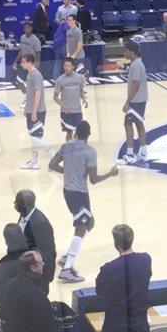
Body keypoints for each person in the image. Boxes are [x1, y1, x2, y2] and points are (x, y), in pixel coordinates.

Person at [49, 119, 119, 283]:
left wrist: (67, 172)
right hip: (79, 193)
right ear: (89, 135)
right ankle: (67, 268)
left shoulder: (67, 146)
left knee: (90, 222)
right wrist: (110, 174)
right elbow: (93, 180)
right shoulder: (90, 152)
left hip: (68, 191)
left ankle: (67, 257)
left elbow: (52, 164)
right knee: (81, 227)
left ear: (75, 133)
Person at [96, 224, 152, 332]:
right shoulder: (145, 259)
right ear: (132, 239)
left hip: (115, 323)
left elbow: (100, 292)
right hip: (140, 321)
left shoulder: (108, 269)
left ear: (116, 243)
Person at [0, 252, 63, 332]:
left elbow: (4, 311)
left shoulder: (10, 284)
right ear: (33, 268)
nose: (43, 264)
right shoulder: (35, 296)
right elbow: (47, 328)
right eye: (40, 263)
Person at [15, 189, 56, 293]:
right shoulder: (24, 215)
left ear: (24, 205)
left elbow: (49, 252)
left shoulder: (40, 223)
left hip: (37, 276)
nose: (14, 204)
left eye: (17, 202)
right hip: (25, 272)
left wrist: (46, 276)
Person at [119, 39, 149, 166]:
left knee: (128, 123)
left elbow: (135, 84)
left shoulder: (136, 65)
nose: (124, 53)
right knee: (139, 124)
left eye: (126, 51)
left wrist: (127, 102)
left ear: (131, 51)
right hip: (141, 100)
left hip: (136, 101)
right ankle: (143, 152)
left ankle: (130, 154)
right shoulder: (137, 63)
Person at [19, 51, 48, 170]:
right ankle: (34, 160)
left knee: (37, 137)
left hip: (38, 111)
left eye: (23, 62)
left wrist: (34, 111)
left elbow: (37, 94)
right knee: (34, 136)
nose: (22, 64)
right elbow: (30, 95)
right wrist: (27, 108)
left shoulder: (37, 75)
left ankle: (52, 154)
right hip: (31, 110)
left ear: (30, 62)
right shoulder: (29, 75)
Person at [0, 223, 33, 312]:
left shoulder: (3, 264)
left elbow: (1, 297)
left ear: (6, 241)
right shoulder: (34, 257)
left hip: (13, 313)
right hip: (35, 308)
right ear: (22, 236)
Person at [51, 56, 87, 142]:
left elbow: (81, 91)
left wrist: (84, 99)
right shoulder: (60, 80)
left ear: (73, 67)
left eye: (68, 66)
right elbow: (55, 97)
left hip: (77, 111)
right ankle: (69, 150)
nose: (66, 68)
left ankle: (77, 147)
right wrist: (63, 106)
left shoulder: (80, 78)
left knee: (79, 132)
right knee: (69, 132)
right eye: (65, 66)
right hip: (66, 112)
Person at [15, 20, 42, 91]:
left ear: (31, 29)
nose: (26, 30)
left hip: (31, 63)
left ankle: (34, 97)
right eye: (24, 28)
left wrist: (37, 63)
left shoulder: (35, 40)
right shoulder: (22, 37)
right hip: (24, 63)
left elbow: (38, 52)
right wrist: (16, 61)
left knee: (32, 83)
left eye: (28, 28)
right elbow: (21, 51)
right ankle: (25, 95)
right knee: (19, 80)